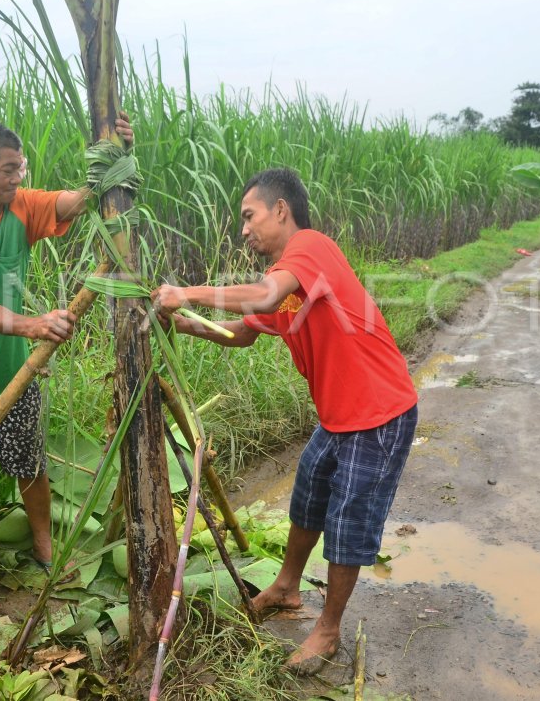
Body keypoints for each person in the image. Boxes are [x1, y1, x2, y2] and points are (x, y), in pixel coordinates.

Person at [151, 167, 418, 674]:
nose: (244, 230)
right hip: (339, 416)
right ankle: (287, 587)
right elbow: (245, 331)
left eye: (249, 216)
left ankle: (329, 630)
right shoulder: (287, 276)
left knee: (347, 523)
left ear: (281, 210)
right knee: (309, 496)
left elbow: (265, 295)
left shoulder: (311, 248)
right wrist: (185, 325)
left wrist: (187, 291)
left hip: (379, 414)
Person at [0, 116, 134, 619]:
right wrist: (36, 325)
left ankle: (44, 545)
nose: (19, 178)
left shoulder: (22, 207)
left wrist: (114, 153)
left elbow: (75, 202)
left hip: (13, 372)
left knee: (30, 465)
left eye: (22, 168)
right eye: (9, 169)